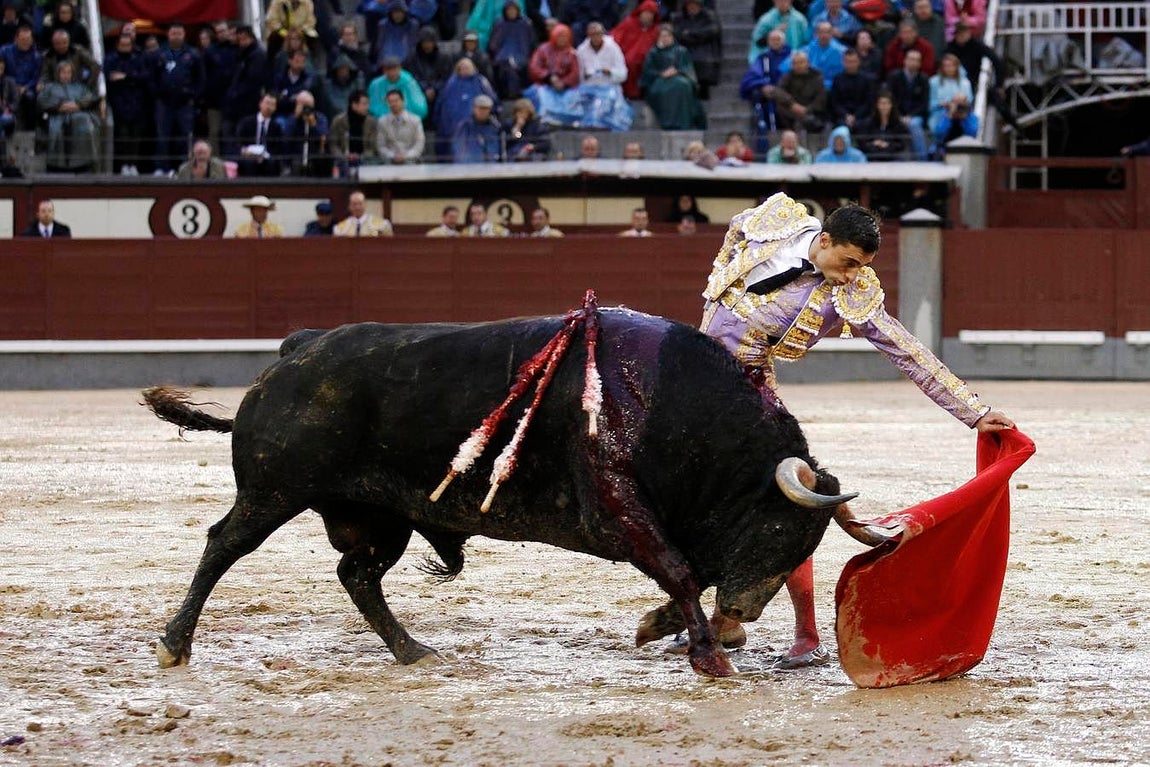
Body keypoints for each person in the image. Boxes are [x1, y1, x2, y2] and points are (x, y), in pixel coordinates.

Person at [687, 192, 1015, 667]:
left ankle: (804, 633)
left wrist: (973, 411)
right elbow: (737, 227)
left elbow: (906, 351)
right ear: (822, 241)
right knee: (693, 501)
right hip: (692, 378)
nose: (851, 275)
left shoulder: (851, 295)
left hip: (750, 392)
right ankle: (724, 623)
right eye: (846, 262)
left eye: (860, 266)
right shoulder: (774, 222)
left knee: (788, 499)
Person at [148, 23, 204, 175]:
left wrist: (193, 95)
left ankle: (184, 167)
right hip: (164, 102)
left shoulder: (193, 54)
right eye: (173, 33)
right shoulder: (158, 54)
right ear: (168, 34)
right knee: (162, 135)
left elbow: (200, 79)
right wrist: (157, 93)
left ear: (184, 34)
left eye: (179, 33)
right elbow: (151, 77)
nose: (176, 36)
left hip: (185, 103)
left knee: (185, 136)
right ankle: (162, 167)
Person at [640, 24, 705, 130]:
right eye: (662, 36)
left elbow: (687, 68)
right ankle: (667, 122)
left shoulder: (681, 51)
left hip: (679, 78)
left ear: (672, 37)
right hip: (659, 81)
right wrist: (661, 73)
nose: (665, 39)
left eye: (667, 36)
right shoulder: (653, 53)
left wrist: (677, 71)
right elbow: (647, 71)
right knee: (662, 90)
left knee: (683, 85)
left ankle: (683, 122)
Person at [36, 59, 98, 172]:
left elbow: (90, 98)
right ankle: (57, 165)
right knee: (57, 128)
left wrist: (78, 105)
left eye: (68, 72)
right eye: (63, 72)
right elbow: (42, 100)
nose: (66, 75)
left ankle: (82, 163)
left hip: (78, 115)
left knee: (83, 121)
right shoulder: (50, 87)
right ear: (58, 73)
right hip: (56, 116)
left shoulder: (79, 86)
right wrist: (59, 106)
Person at [103, 32, 149, 175]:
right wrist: (129, 79)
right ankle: (123, 165)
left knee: (135, 136)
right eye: (122, 45)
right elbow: (109, 77)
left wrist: (126, 77)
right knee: (122, 136)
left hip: (136, 102)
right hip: (119, 102)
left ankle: (133, 164)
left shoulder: (138, 58)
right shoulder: (111, 59)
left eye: (127, 45)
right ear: (118, 45)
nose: (125, 47)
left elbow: (144, 77)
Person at [884, 47, 930, 159]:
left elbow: (924, 103)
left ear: (920, 63)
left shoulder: (923, 79)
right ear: (905, 61)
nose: (913, 62)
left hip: (915, 116)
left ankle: (922, 160)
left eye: (917, 60)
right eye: (911, 59)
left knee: (914, 124)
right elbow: (889, 99)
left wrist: (910, 116)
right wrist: (898, 116)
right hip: (895, 114)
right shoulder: (894, 76)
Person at [928, 50, 976, 155]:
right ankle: (938, 146)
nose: (949, 68)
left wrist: (961, 101)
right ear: (942, 67)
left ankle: (969, 146)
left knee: (972, 124)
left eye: (952, 66)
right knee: (940, 125)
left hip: (962, 112)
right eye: (946, 66)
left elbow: (969, 100)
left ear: (957, 67)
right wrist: (946, 104)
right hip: (942, 112)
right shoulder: (933, 82)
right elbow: (931, 103)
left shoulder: (965, 83)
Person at [670, 0, 720, 100]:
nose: (692, 8)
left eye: (695, 5)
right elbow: (678, 33)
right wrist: (695, 36)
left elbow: (713, 31)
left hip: (704, 46)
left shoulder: (709, 16)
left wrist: (691, 34)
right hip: (685, 46)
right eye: (690, 5)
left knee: (703, 58)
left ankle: (703, 89)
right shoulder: (679, 18)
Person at [611, 0, 660, 100]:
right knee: (630, 63)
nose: (647, 16)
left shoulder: (656, 30)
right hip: (625, 59)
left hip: (647, 61)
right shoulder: (628, 24)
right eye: (645, 13)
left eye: (650, 13)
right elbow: (615, 38)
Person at [772, 50, 827, 134]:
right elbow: (778, 91)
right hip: (792, 110)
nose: (798, 66)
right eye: (795, 63)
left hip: (811, 111)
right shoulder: (788, 76)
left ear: (808, 63)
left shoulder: (817, 77)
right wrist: (792, 104)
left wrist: (806, 109)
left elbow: (821, 99)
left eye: (801, 62)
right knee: (779, 105)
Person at [488, 0, 534, 100]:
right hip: (502, 55)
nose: (511, 12)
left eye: (513, 9)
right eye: (509, 10)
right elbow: (493, 44)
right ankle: (505, 95)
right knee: (502, 66)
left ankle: (515, 94)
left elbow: (530, 43)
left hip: (522, 55)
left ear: (518, 10)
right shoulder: (499, 23)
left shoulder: (525, 23)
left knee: (514, 67)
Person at [235, 93, 285, 176]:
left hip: (267, 156)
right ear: (260, 104)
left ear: (275, 108)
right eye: (267, 103)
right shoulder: (246, 122)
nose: (269, 107)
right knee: (248, 163)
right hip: (249, 155)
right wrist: (244, 150)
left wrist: (266, 155)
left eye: (272, 105)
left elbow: (279, 147)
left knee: (272, 164)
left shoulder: (276, 127)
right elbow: (238, 141)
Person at [0, 24, 39, 130]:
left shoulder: (36, 56)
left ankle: (30, 131)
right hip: (7, 85)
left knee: (30, 97)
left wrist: (25, 87)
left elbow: (36, 77)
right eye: (23, 39)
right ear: (16, 39)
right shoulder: (4, 51)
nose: (26, 42)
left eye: (28, 39)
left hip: (26, 87)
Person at [331, 89, 379, 174]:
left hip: (365, 160)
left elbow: (373, 147)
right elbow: (333, 144)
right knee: (342, 166)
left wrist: (360, 157)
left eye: (368, 104)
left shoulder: (372, 122)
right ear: (354, 105)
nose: (367, 107)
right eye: (364, 104)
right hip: (343, 160)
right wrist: (343, 156)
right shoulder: (338, 121)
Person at [368, 56, 429, 121]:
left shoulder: (409, 82)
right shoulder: (375, 85)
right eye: (388, 70)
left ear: (400, 69)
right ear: (383, 71)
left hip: (408, 119)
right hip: (383, 120)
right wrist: (391, 116)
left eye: (394, 69)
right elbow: (373, 106)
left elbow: (419, 106)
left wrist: (401, 115)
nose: (392, 73)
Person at [285, 90, 330, 176]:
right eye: (303, 105)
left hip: (314, 154)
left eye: (308, 106)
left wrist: (313, 124)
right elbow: (286, 137)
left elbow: (323, 138)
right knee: (295, 164)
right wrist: (296, 117)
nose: (306, 109)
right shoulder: (292, 119)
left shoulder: (320, 118)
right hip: (296, 154)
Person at [856, 88, 911, 160]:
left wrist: (888, 145)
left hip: (893, 157)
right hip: (873, 157)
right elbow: (862, 143)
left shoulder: (899, 125)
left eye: (887, 103)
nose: (884, 107)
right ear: (877, 105)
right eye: (881, 103)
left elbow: (903, 143)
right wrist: (874, 143)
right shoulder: (868, 123)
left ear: (891, 105)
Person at [829, 48, 876, 131]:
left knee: (865, 124)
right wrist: (846, 115)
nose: (850, 65)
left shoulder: (867, 80)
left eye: (853, 62)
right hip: (842, 117)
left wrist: (855, 116)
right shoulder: (837, 79)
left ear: (858, 62)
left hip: (861, 116)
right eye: (848, 62)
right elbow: (835, 102)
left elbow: (868, 102)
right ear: (843, 62)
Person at [376, 87, 424, 163]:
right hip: (390, 162)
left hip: (411, 162)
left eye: (396, 101)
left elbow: (419, 145)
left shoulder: (416, 120)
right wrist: (392, 156)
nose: (393, 104)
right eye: (390, 101)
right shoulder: (382, 121)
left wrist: (406, 156)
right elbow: (381, 146)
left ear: (403, 101)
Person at [451, 92, 502, 163]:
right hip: (470, 167)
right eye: (480, 108)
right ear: (474, 108)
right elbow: (458, 148)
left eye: (485, 108)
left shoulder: (495, 126)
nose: (482, 111)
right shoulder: (465, 126)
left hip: (491, 167)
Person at [805, 21, 846, 91]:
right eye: (821, 32)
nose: (824, 35)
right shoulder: (806, 50)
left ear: (832, 34)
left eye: (827, 32)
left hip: (835, 88)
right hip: (810, 87)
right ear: (816, 34)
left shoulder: (842, 51)